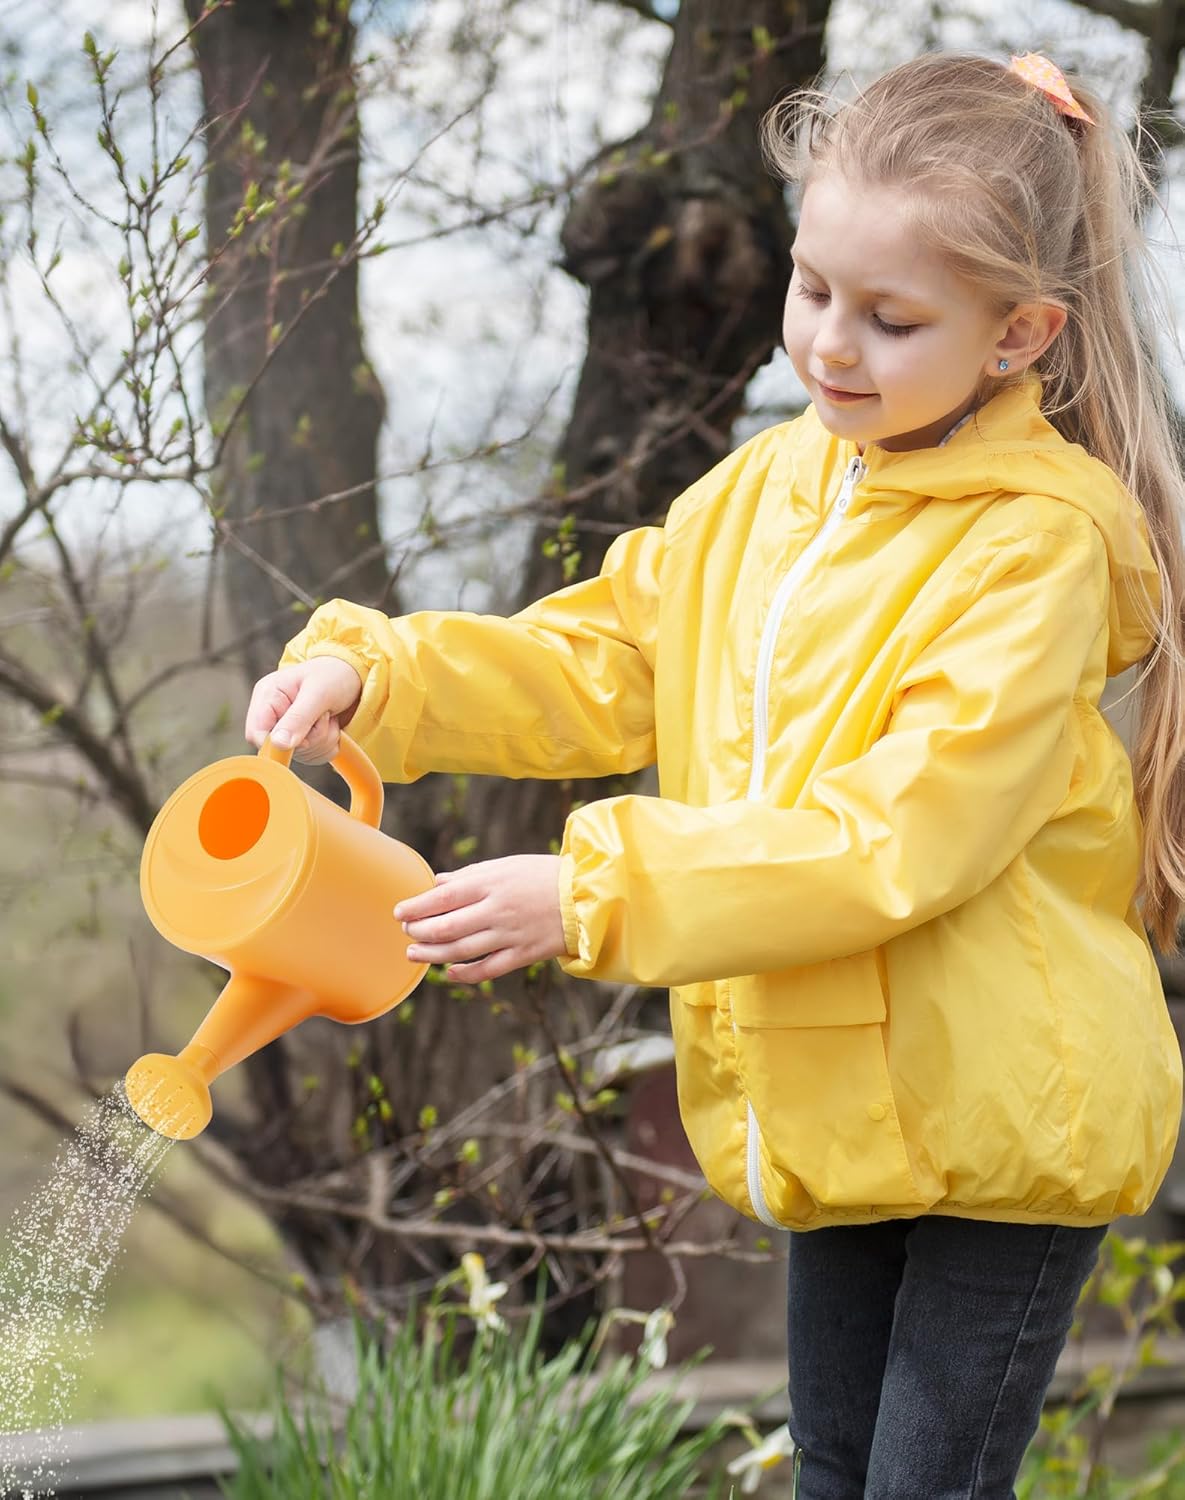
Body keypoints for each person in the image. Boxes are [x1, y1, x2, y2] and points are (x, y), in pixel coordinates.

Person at [244, 50, 1185, 1499]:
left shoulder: (1034, 545)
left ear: (1018, 335)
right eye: (814, 290)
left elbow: (898, 837)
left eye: (891, 319)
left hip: (1007, 1120)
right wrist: (385, 678)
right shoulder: (759, 495)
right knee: (829, 1471)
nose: (831, 347)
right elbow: (604, 661)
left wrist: (592, 894)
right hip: (837, 1102)